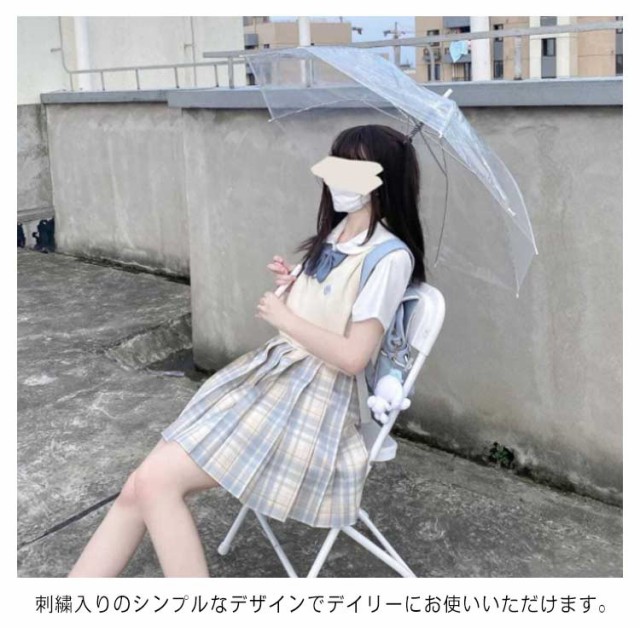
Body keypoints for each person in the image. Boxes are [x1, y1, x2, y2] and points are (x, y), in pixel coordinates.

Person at [67, 123, 426, 578]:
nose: (338, 177)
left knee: (155, 483)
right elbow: (329, 305)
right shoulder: (337, 235)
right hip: (276, 379)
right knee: (139, 484)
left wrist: (285, 318)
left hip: (313, 404)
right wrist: (295, 285)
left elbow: (355, 356)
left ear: (383, 179)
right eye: (337, 163)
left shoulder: (389, 257)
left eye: (353, 168)